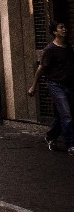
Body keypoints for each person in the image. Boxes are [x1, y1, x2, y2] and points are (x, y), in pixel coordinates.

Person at [28, 22, 74, 153]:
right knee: (67, 115)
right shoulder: (50, 49)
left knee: (63, 115)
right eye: (61, 28)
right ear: (55, 32)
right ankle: (71, 144)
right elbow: (41, 68)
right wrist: (33, 86)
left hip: (68, 85)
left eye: (65, 27)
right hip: (55, 85)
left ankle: (50, 136)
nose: (64, 29)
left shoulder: (68, 47)